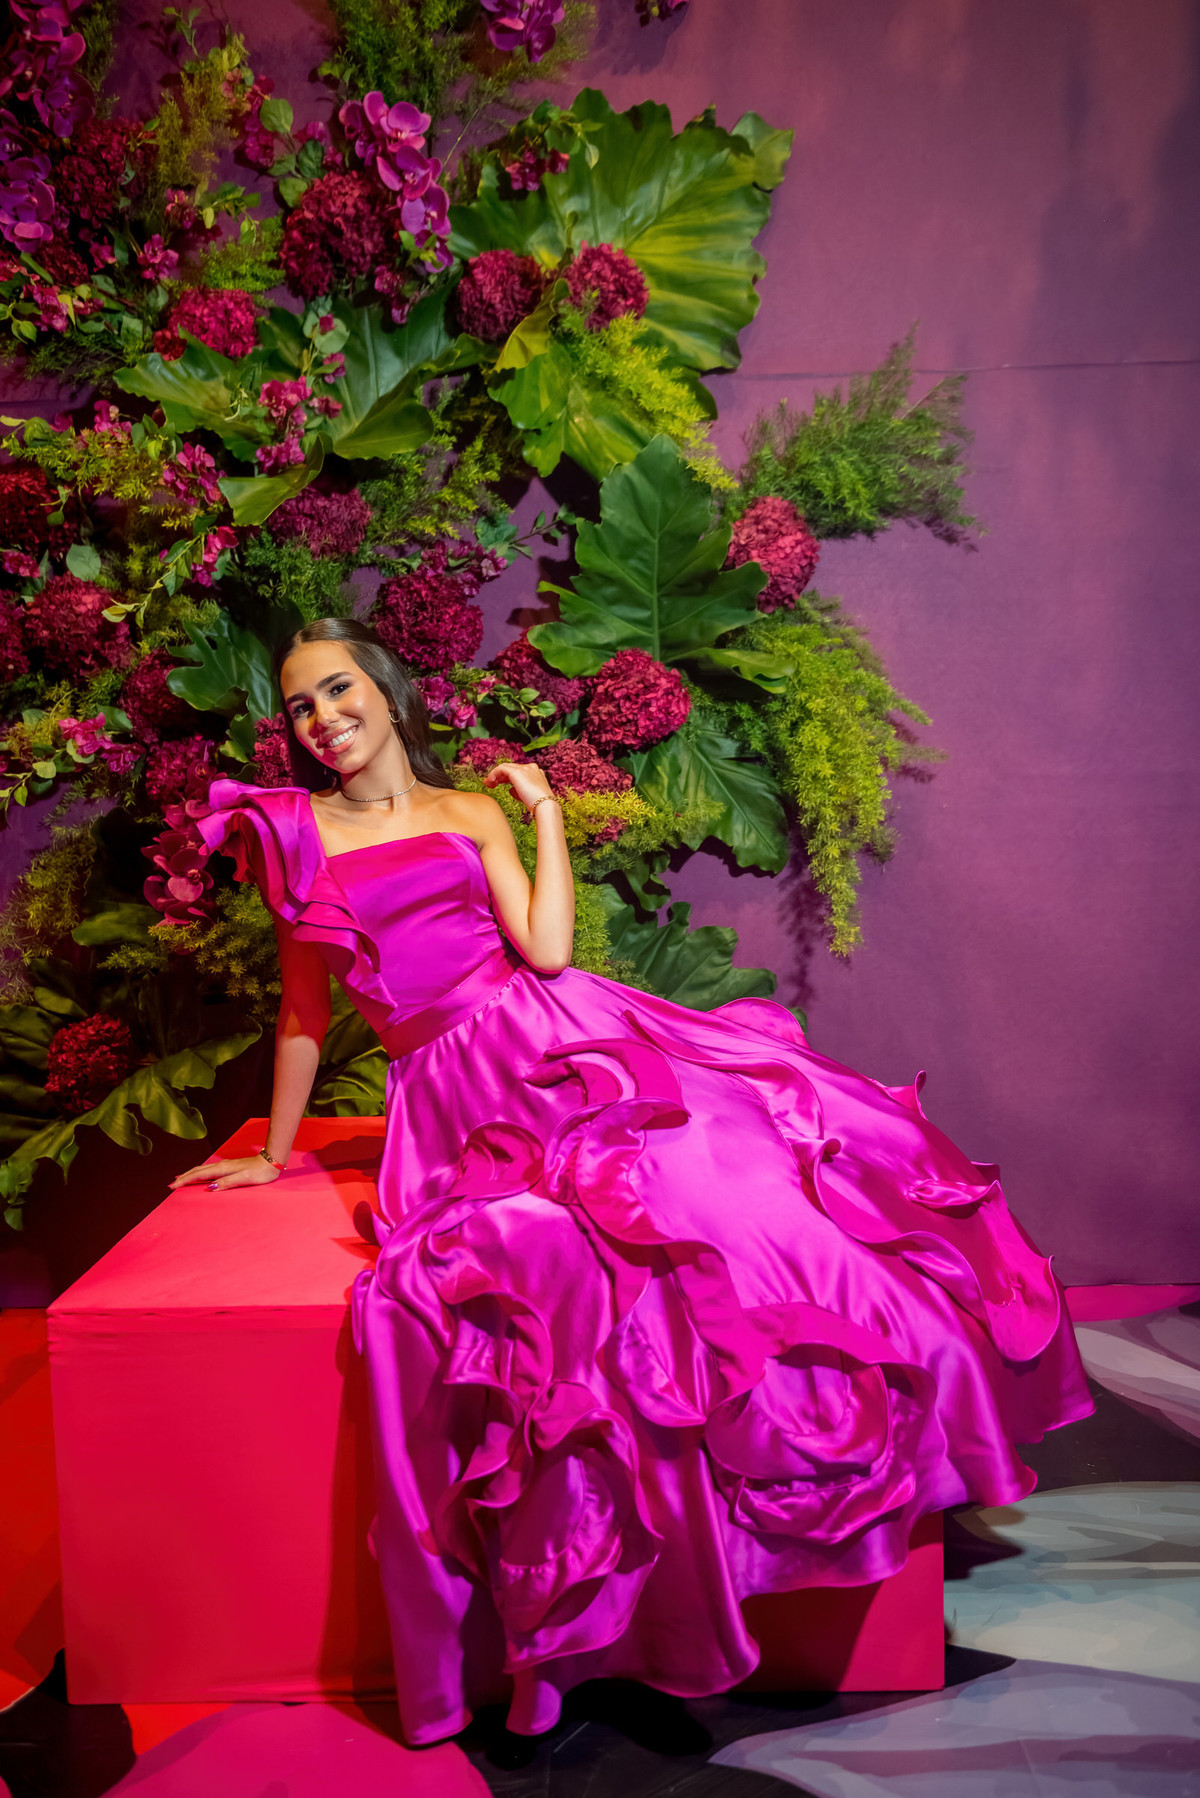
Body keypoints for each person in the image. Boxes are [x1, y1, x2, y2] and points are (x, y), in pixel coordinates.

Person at [172, 616, 1092, 1749]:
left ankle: (863, 1442)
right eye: (301, 705)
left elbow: (548, 950)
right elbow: (305, 1009)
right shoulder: (293, 836)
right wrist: (276, 1148)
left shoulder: (469, 812)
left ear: (386, 688)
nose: (323, 719)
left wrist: (544, 816)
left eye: (339, 689)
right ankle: (636, 1586)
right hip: (454, 1097)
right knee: (567, 1272)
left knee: (735, 1177)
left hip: (555, 1036)